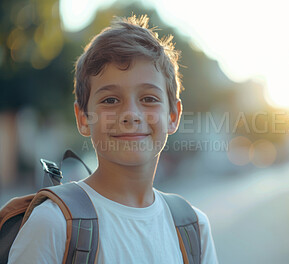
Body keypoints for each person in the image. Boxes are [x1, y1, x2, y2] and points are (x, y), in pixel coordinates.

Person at [8, 14, 218, 263]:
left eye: (149, 99)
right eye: (110, 100)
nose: (131, 114)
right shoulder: (53, 225)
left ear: (173, 115)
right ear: (83, 117)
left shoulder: (194, 229)